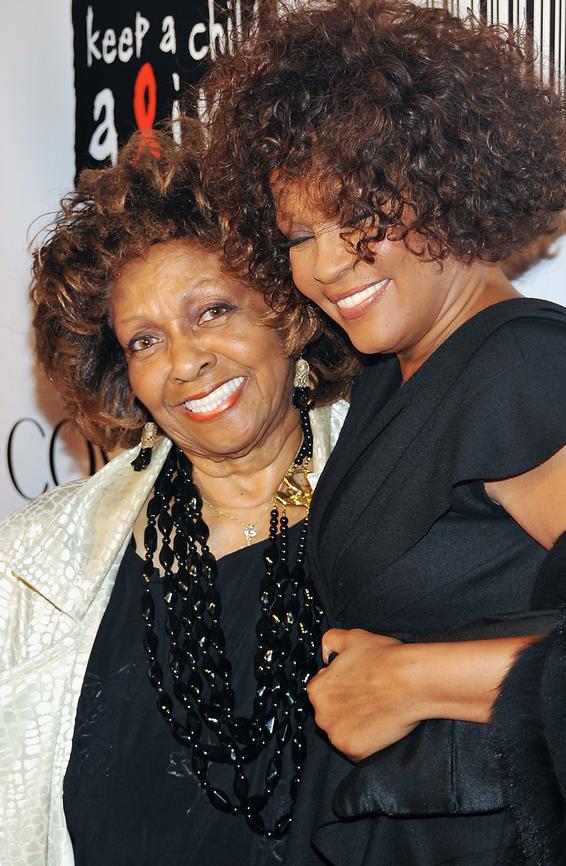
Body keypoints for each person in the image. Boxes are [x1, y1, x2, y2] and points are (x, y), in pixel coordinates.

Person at [201, 2, 566, 863]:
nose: (328, 264)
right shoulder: (393, 373)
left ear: (451, 178)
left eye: (363, 213)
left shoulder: (526, 372)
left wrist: (408, 681)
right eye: (300, 234)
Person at [0, 128, 354, 866]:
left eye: (213, 311)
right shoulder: (38, 566)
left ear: (284, 312)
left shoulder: (397, 489)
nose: (186, 362)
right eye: (145, 341)